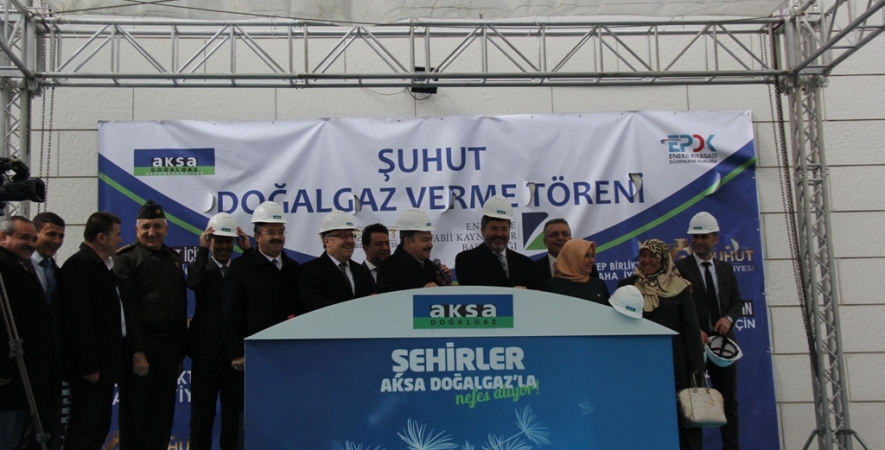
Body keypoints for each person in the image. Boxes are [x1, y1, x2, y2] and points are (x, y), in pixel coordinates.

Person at [113, 199, 187, 450]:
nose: (151, 232)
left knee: (162, 418)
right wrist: (137, 352)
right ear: (136, 230)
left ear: (166, 229)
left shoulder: (173, 259)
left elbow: (179, 307)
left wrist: (179, 354)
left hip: (169, 352)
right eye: (145, 227)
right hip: (142, 350)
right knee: (136, 419)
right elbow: (127, 311)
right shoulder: (126, 259)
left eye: (157, 226)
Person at [617, 239, 705, 450]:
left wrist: (697, 367)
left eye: (652, 256)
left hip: (675, 364)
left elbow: (691, 329)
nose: (646, 260)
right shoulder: (627, 286)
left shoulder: (680, 287)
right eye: (643, 255)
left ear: (663, 258)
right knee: (645, 414)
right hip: (639, 364)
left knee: (681, 417)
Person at [674, 212, 743, 450]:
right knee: (693, 403)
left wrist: (728, 318)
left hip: (723, 345)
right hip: (695, 346)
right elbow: (678, 307)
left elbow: (737, 302)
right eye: (695, 237)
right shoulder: (680, 268)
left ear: (715, 238)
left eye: (704, 237)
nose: (699, 241)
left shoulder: (725, 269)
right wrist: (695, 331)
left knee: (729, 402)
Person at [58, 212, 125, 450]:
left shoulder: (102, 267)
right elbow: (78, 321)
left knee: (98, 428)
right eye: (117, 235)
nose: (120, 240)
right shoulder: (78, 266)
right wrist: (89, 365)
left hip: (104, 366)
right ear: (101, 237)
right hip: (90, 372)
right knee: (84, 429)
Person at [187, 213, 251, 450]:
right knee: (202, 417)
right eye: (219, 241)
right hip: (206, 355)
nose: (224, 246)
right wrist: (202, 250)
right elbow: (193, 282)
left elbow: (260, 279)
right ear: (210, 241)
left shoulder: (241, 269)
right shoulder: (201, 267)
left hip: (234, 355)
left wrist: (248, 251)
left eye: (228, 241)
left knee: (233, 418)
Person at [223, 201, 302, 374]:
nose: (277, 237)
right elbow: (231, 313)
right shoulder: (240, 268)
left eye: (281, 232)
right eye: (271, 232)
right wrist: (237, 353)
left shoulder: (295, 269)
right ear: (257, 236)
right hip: (255, 352)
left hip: (290, 352)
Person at [0, 217, 54, 450]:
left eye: (33, 239)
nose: (31, 244)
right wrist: (3, 367)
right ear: (3, 237)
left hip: (24, 374)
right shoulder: (4, 267)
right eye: (24, 238)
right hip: (10, 375)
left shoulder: (18, 264)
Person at [455, 195, 538, 289]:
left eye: (504, 229)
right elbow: (475, 292)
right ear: (483, 231)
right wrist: (513, 293)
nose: (499, 234)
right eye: (494, 228)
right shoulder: (466, 260)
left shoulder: (525, 263)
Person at [300, 211, 373, 311]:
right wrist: (349, 308)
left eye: (351, 236)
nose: (350, 241)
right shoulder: (310, 270)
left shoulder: (362, 271)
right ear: (327, 241)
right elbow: (312, 302)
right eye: (343, 236)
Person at [377, 209, 450, 293]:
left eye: (430, 239)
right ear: (408, 242)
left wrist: (442, 284)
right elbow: (387, 299)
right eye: (425, 240)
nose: (430, 245)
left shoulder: (430, 266)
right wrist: (421, 293)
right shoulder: (389, 268)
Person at [541, 239, 609, 305]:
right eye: (587, 256)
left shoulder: (598, 284)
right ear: (572, 258)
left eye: (592, 255)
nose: (592, 260)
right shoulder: (552, 285)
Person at [533, 218, 599, 282]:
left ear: (570, 239)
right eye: (554, 234)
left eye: (565, 234)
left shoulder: (586, 266)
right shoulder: (534, 267)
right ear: (545, 242)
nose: (560, 238)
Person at [360, 223, 390, 292]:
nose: (385, 248)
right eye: (379, 244)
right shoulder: (358, 275)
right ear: (366, 249)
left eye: (387, 244)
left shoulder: (395, 272)